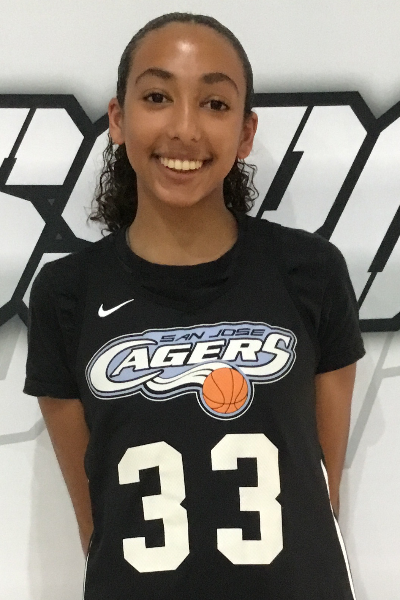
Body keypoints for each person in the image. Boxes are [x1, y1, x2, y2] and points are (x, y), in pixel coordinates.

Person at [24, 12, 365, 600]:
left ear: (246, 132)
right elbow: (99, 515)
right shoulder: (65, 293)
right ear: (118, 119)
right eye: (157, 97)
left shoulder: (311, 272)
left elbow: (319, 488)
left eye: (214, 104)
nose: (185, 128)